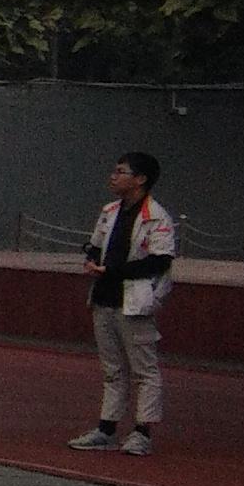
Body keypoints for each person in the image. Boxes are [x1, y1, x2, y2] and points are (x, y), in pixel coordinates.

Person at [75, 150, 174, 455]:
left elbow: (160, 261)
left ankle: (142, 432)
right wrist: (92, 261)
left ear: (140, 179)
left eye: (121, 172)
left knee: (144, 370)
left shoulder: (157, 217)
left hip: (134, 302)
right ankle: (106, 429)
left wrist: (113, 271)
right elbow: (95, 245)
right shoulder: (109, 211)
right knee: (112, 369)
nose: (113, 177)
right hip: (104, 298)